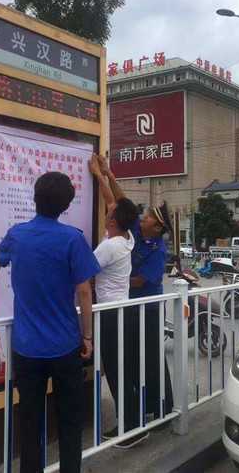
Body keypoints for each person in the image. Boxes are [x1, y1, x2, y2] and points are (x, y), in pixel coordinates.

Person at [0, 172, 100, 473]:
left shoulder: (17, 234)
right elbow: (85, 290)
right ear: (65, 205)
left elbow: (0, 257)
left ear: (35, 198)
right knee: (69, 420)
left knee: (30, 422)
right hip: (65, 346)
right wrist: (87, 338)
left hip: (26, 348)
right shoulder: (72, 239)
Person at [92, 154, 174, 447]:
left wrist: (114, 276)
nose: (145, 218)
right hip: (127, 308)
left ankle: (161, 409)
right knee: (132, 363)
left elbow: (140, 281)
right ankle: (141, 413)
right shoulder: (132, 235)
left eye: (150, 217)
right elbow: (120, 204)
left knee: (149, 360)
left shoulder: (157, 249)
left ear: (159, 228)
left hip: (146, 309)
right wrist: (108, 175)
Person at [88, 156, 139, 446]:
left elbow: (84, 272)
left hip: (109, 315)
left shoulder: (109, 247)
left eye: (110, 211)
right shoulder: (127, 238)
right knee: (123, 369)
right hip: (123, 311)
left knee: (116, 371)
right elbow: (115, 204)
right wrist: (102, 174)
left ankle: (129, 429)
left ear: (112, 219)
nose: (108, 207)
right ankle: (133, 422)